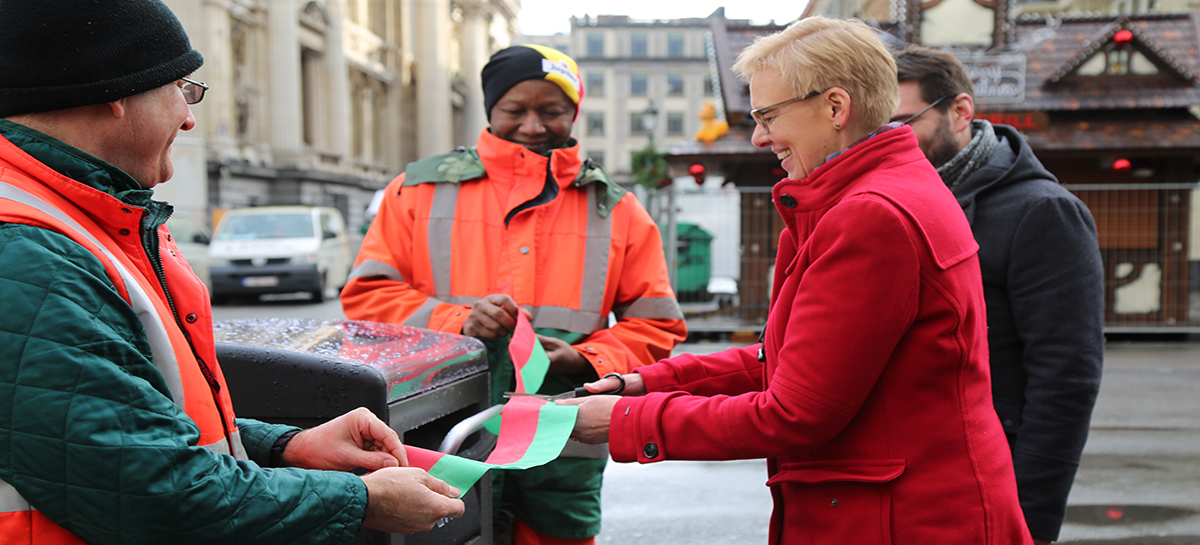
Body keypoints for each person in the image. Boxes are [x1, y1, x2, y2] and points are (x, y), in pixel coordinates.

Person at [0, 2, 464, 544]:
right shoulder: (25, 248)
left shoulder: (75, 218)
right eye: (182, 88)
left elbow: (115, 425)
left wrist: (285, 446)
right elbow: (149, 491)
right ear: (116, 89)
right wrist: (363, 501)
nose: (190, 116)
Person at [561, 17, 1033, 545]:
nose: (760, 135)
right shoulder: (884, 192)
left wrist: (626, 420)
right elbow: (788, 359)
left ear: (835, 107)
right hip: (902, 508)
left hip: (898, 519)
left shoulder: (870, 215)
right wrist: (648, 383)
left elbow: (795, 411)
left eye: (768, 115)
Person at [340, 44, 687, 545]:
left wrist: (587, 356)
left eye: (551, 111)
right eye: (514, 110)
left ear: (573, 114)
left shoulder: (618, 209)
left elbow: (658, 325)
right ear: (490, 110)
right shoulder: (416, 192)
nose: (532, 126)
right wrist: (456, 322)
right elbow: (368, 297)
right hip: (440, 429)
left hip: (562, 439)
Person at [891, 45, 1105, 544]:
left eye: (903, 124)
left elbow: (1066, 378)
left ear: (960, 111)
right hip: (906, 482)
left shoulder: (1043, 211)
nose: (890, 142)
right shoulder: (894, 205)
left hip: (990, 486)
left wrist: (1029, 519)